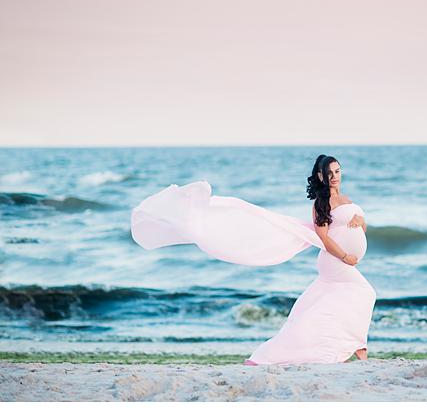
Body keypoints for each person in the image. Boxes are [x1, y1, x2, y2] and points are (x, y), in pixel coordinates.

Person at [130, 154, 377, 366]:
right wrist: (345, 256)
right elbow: (323, 237)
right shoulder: (322, 203)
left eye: (337, 171)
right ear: (321, 177)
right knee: (365, 292)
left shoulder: (347, 200)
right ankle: (358, 346)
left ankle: (346, 345)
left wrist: (359, 221)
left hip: (344, 260)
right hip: (335, 261)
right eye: (329, 173)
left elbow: (360, 227)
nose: (335, 176)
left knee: (324, 305)